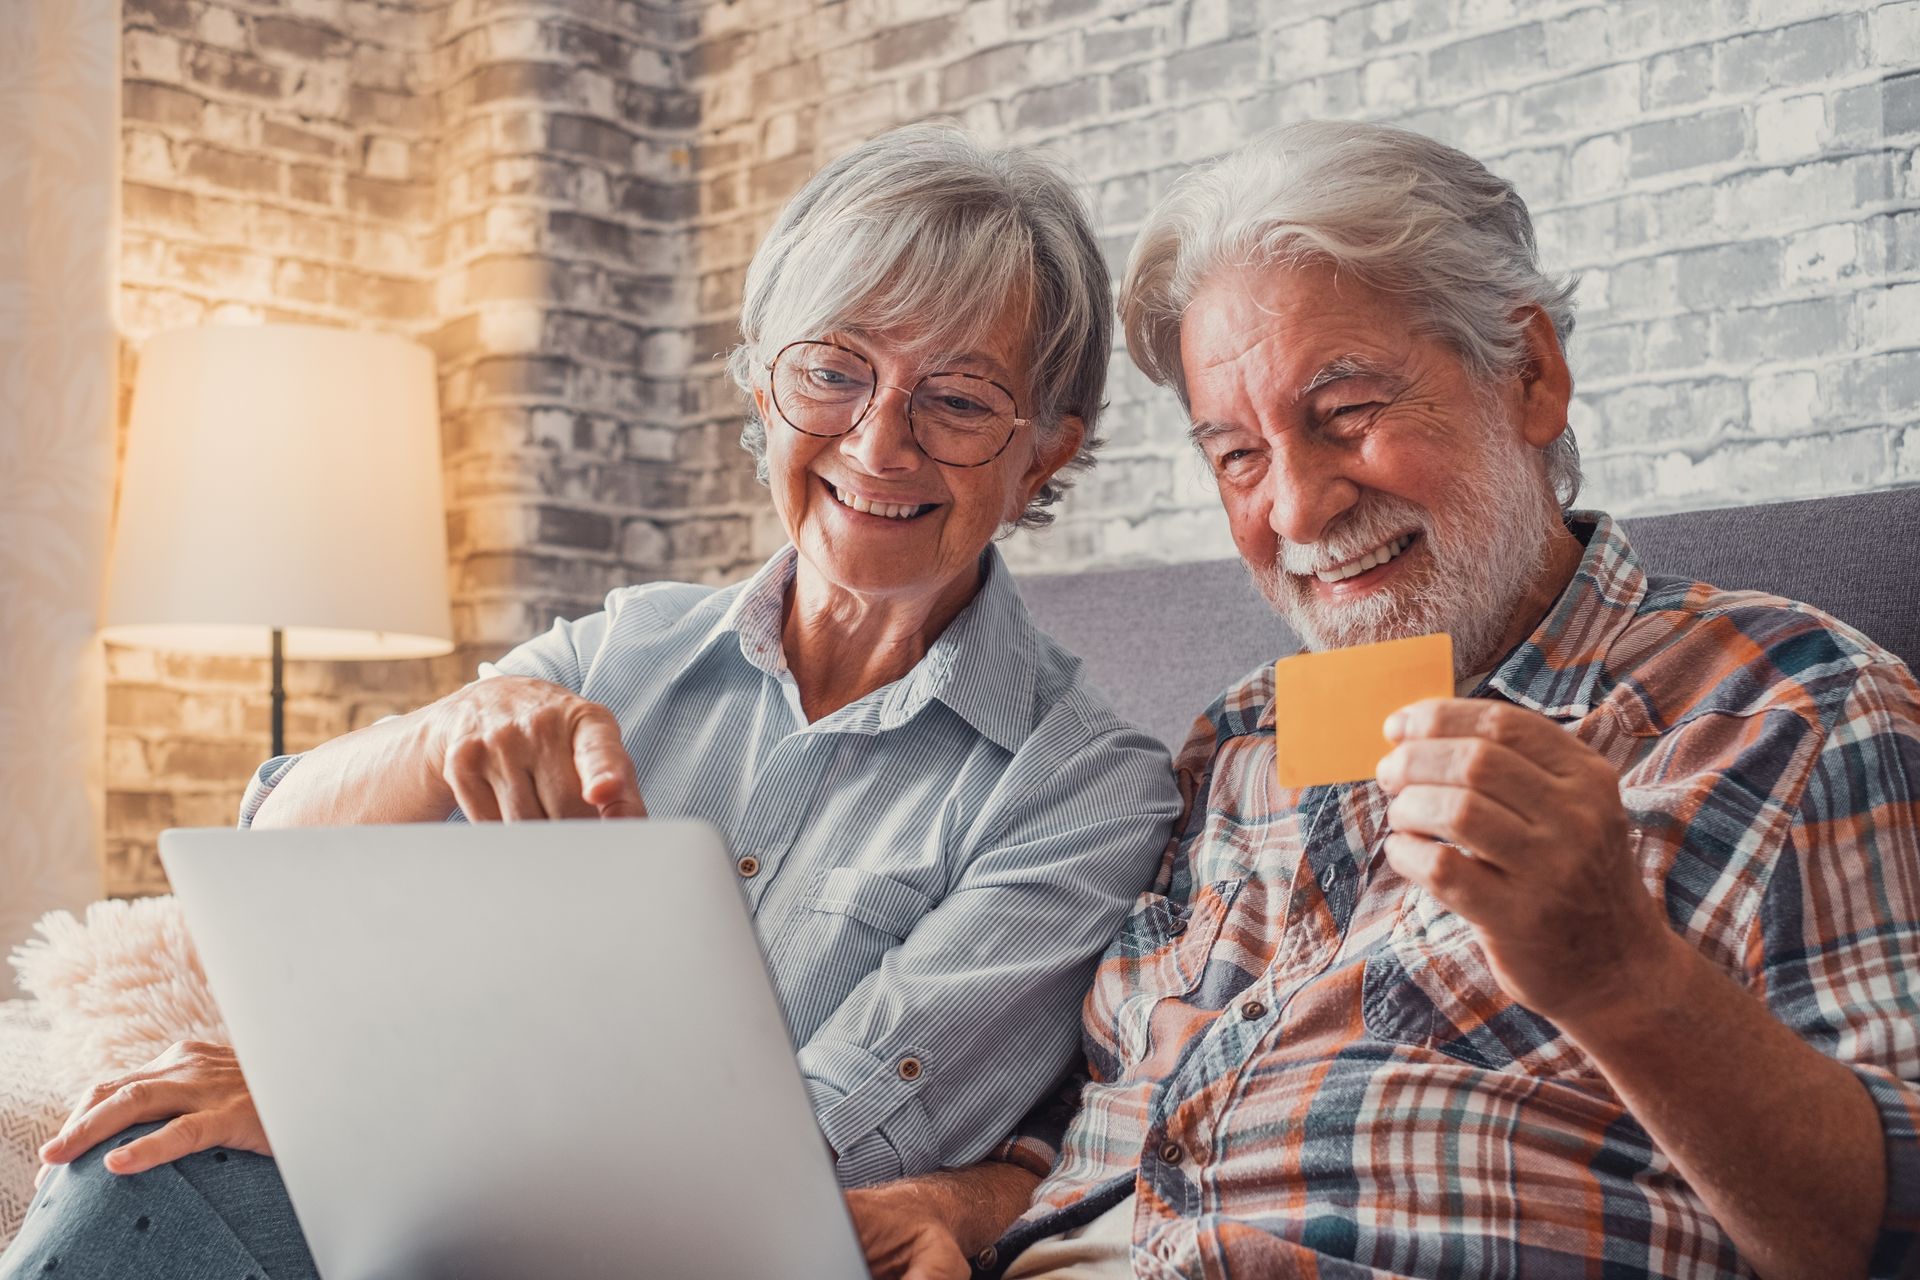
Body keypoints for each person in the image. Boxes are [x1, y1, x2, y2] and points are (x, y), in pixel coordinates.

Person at [2, 124, 1182, 1280]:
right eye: (833, 371)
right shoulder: (627, 645)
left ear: (1045, 452)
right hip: (438, 1205)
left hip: (673, 1242)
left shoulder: (1084, 786)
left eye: (960, 402)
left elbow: (811, 1146)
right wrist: (437, 734)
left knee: (167, 1171)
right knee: (138, 1148)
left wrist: (344, 1113)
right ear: (766, 386)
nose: (879, 443)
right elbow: (273, 855)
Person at [851, 120, 1920, 1280]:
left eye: (1346, 411)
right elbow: (1113, 1109)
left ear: (1531, 373)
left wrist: (1624, 976)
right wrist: (963, 1203)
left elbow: (1885, 1231)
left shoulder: (1788, 708)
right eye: (1238, 456)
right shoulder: (1242, 743)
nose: (1300, 511)